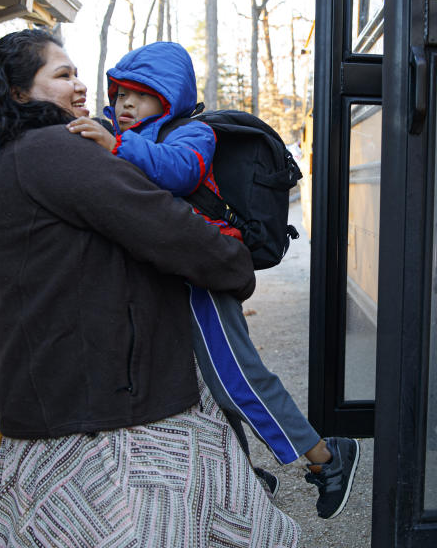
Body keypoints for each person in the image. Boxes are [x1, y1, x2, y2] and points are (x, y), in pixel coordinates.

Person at [0, 29, 299, 547]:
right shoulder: (55, 148)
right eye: (62, 74)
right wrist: (234, 263)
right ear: (18, 93)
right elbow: (161, 223)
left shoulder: (24, 152)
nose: (80, 86)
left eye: (77, 73)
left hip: (71, 395)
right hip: (105, 412)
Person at [66, 41, 361, 520]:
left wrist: (115, 144)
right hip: (163, 279)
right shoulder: (115, 137)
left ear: (169, 97)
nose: (125, 104)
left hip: (201, 273)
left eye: (139, 95)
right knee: (198, 391)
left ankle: (326, 456)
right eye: (119, 93)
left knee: (236, 379)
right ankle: (242, 474)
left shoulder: (193, 134)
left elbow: (180, 174)